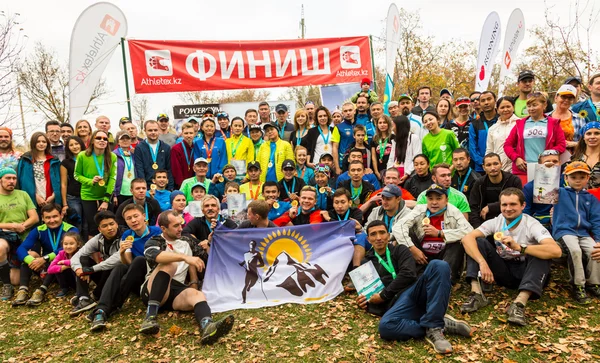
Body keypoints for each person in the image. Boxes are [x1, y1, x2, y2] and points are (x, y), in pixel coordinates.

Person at [359, 220, 472, 354]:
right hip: (397, 305)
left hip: (414, 292)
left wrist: (383, 295)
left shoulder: (400, 249)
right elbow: (370, 292)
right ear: (368, 239)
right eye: (373, 234)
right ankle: (436, 324)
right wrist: (366, 302)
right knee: (386, 327)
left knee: (439, 265)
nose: (378, 237)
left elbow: (408, 274)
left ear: (388, 236)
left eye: (382, 233)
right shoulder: (366, 262)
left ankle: (434, 328)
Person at [460, 188, 562, 326]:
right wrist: (482, 262)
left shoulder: (531, 224)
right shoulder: (496, 221)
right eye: (504, 205)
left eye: (513, 204)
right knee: (477, 242)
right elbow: (467, 239)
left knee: (541, 253)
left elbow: (556, 251)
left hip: (526, 271)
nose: (508, 209)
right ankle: (476, 294)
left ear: (523, 206)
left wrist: (521, 248)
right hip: (504, 269)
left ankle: (519, 305)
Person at [139, 210, 235, 343]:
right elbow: (154, 256)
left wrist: (210, 243)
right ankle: (149, 318)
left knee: (197, 295)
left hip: (175, 292)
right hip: (153, 288)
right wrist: (185, 257)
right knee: (169, 265)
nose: (180, 229)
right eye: (176, 226)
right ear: (163, 228)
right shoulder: (154, 241)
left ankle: (208, 327)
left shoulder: (187, 241)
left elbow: (208, 259)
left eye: (181, 224)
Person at [87, 204, 162, 331]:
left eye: (136, 216)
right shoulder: (127, 234)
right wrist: (122, 251)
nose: (133, 220)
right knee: (120, 267)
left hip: (153, 277)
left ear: (144, 216)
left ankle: (110, 306)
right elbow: (128, 263)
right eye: (129, 218)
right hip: (135, 277)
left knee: (139, 260)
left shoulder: (157, 232)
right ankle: (101, 309)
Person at [394, 184, 472, 283]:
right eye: (430, 199)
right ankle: (415, 275)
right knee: (406, 234)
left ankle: (446, 277)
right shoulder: (420, 209)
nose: (434, 202)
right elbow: (398, 227)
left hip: (444, 255)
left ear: (446, 200)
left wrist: (440, 233)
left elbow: (469, 230)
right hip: (421, 255)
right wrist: (412, 248)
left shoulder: (453, 211)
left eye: (439, 198)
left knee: (458, 243)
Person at [552, 161, 600, 303]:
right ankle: (578, 285)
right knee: (575, 250)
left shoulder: (590, 198)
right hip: (565, 231)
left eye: (581, 177)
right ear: (566, 178)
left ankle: (594, 283)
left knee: (594, 250)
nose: (578, 180)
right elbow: (542, 188)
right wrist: (548, 169)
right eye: (573, 177)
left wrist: (598, 240)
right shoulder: (558, 193)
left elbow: (596, 220)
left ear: (587, 178)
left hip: (584, 233)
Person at [12, 204, 78, 306]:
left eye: (55, 216)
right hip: (45, 267)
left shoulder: (71, 229)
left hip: (65, 269)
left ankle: (41, 290)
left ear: (61, 215)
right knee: (29, 254)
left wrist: (45, 258)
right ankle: (23, 290)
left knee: (59, 258)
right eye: (48, 217)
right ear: (42, 218)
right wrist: (32, 261)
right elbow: (21, 248)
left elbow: (66, 250)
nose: (52, 220)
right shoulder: (39, 230)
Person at [70, 211, 123, 316]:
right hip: (104, 275)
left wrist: (90, 269)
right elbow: (78, 255)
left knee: (113, 265)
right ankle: (84, 298)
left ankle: (96, 295)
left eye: (112, 224)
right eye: (105, 226)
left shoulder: (125, 236)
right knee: (83, 258)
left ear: (117, 224)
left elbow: (118, 258)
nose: (109, 228)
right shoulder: (98, 239)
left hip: (120, 276)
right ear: (99, 229)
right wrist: (78, 269)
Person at [504, 92, 567, 180]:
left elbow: (561, 145)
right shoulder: (520, 124)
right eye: (529, 106)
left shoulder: (554, 124)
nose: (531, 108)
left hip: (547, 169)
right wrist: (516, 158)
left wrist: (548, 157)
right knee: (524, 193)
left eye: (534, 105)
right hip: (524, 170)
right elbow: (507, 145)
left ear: (544, 105)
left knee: (546, 193)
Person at [0, 167, 39, 300]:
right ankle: (6, 285)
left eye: (14, 178)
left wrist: (21, 226)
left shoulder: (23, 194)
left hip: (24, 236)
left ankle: (11, 270)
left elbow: (35, 217)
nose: (11, 181)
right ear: (1, 180)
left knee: (16, 281)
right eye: (8, 178)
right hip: (4, 235)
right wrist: (11, 226)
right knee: (0, 247)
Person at [74, 130, 117, 237]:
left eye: (105, 139)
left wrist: (106, 200)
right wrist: (90, 181)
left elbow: (112, 178)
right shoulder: (82, 155)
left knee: (108, 226)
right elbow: (76, 175)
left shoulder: (112, 156)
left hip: (105, 196)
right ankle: (95, 252)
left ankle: (108, 253)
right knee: (93, 227)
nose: (102, 140)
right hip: (88, 196)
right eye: (99, 138)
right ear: (92, 140)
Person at [469, 153, 522, 228]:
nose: (493, 168)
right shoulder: (479, 183)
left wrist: (491, 207)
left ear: (501, 164)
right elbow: (473, 207)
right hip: (486, 223)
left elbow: (518, 202)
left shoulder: (513, 180)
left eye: (495, 164)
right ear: (483, 167)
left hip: (510, 220)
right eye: (488, 165)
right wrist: (478, 228)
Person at [17, 132, 62, 210]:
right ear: (33, 143)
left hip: (51, 198)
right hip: (32, 198)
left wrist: (54, 196)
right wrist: (35, 196)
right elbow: (23, 182)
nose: (41, 144)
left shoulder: (54, 160)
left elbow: (59, 180)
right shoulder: (25, 160)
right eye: (38, 141)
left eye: (44, 142)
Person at [523, 150, 560, 229]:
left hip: (562, 224)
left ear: (560, 163)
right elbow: (525, 213)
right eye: (547, 162)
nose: (551, 164)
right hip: (539, 225)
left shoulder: (566, 183)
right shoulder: (529, 187)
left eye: (555, 161)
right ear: (540, 165)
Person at [135, 120, 174, 190]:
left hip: (163, 188)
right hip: (147, 187)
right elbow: (139, 169)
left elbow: (169, 169)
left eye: (155, 130)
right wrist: (144, 188)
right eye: (150, 130)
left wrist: (170, 188)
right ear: (145, 131)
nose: (153, 132)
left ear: (159, 130)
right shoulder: (139, 148)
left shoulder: (166, 147)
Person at [486, 96, 518, 172]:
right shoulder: (493, 129)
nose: (505, 110)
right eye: (502, 107)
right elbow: (489, 150)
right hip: (499, 169)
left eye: (508, 107)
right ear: (497, 110)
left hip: (517, 167)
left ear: (513, 107)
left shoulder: (520, 124)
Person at [469, 91, 498, 172]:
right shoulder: (475, 124)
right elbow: (472, 148)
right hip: (481, 168)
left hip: (502, 165)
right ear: (480, 103)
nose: (486, 103)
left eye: (489, 99)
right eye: (483, 100)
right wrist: (484, 162)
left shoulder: (502, 120)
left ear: (495, 100)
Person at [387, 116, 421, 184]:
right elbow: (391, 159)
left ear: (399, 126)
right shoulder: (395, 140)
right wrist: (389, 173)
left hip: (409, 175)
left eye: (393, 125)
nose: (392, 128)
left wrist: (407, 173)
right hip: (395, 175)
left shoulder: (414, 138)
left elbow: (416, 158)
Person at [550, 84, 585, 150]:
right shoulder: (545, 118)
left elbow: (586, 142)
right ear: (556, 97)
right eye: (563, 97)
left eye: (570, 98)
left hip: (573, 157)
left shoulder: (579, 119)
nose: (566, 100)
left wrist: (574, 144)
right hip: (549, 158)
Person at [47, 232, 81, 298]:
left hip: (79, 280)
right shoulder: (61, 253)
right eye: (65, 244)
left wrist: (65, 262)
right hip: (69, 279)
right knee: (58, 268)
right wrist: (65, 266)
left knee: (76, 268)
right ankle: (64, 288)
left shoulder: (80, 252)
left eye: (71, 244)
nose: (68, 246)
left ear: (78, 244)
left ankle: (80, 290)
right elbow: (50, 270)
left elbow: (80, 262)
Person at [571, 122, 600, 189]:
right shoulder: (575, 158)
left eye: (597, 133)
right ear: (584, 137)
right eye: (588, 133)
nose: (592, 137)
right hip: (580, 198)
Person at [331, 102, 357, 174]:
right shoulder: (338, 127)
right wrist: (337, 167)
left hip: (358, 162)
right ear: (342, 113)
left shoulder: (360, 125)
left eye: (350, 110)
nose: (348, 113)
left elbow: (365, 144)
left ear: (354, 111)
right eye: (345, 111)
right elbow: (335, 148)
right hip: (343, 163)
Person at [113, 131, 136, 206]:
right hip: (120, 192)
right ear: (118, 142)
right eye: (122, 139)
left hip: (134, 191)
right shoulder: (113, 155)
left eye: (127, 138)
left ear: (131, 141)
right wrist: (114, 194)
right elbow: (111, 175)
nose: (125, 140)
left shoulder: (134, 154)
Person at [170, 122, 196, 189]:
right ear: (182, 134)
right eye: (186, 133)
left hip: (195, 184)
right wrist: (183, 185)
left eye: (191, 133)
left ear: (195, 134)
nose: (188, 135)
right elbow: (176, 170)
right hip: (182, 185)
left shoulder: (196, 147)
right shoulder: (176, 149)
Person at [371, 115, 394, 180]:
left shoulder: (393, 137)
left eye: (384, 122)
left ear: (388, 124)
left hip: (391, 169)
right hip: (379, 169)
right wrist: (376, 172)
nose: (382, 125)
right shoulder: (375, 139)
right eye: (380, 123)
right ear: (377, 125)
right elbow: (373, 157)